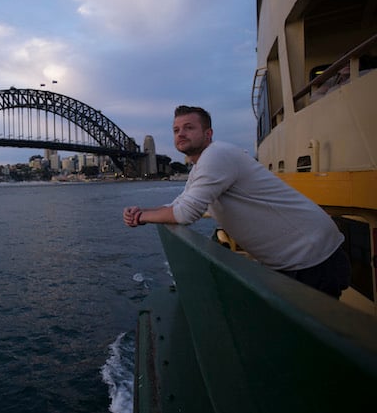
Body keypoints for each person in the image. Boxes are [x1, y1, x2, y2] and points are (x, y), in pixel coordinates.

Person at [123, 105, 350, 298]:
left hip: (311, 256)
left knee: (310, 340)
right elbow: (179, 204)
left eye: (189, 128)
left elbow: (185, 214)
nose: (181, 134)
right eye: (176, 130)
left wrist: (141, 218)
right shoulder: (202, 166)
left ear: (208, 133)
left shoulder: (216, 156)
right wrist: (140, 211)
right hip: (297, 258)